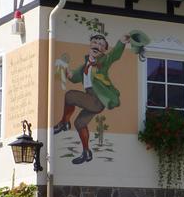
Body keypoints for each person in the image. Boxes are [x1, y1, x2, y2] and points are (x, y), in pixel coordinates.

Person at [54, 30, 149, 164]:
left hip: (97, 99)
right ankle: (86, 152)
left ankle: (64, 123)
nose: (96, 45)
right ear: (89, 45)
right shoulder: (85, 64)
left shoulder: (104, 61)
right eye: (94, 42)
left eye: (100, 44)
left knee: (70, 96)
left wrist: (122, 41)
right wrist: (65, 70)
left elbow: (114, 55)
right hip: (90, 100)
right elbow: (74, 78)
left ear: (104, 50)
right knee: (79, 124)